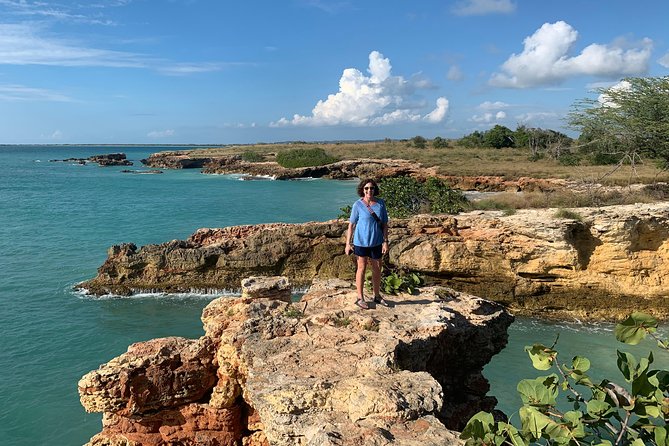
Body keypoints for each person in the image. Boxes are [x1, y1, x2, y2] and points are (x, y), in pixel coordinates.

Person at [345, 179, 391, 309]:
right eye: (366, 188)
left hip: (376, 241)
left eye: (371, 188)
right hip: (361, 242)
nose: (369, 190)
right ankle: (360, 297)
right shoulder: (357, 205)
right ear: (362, 190)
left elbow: (385, 225)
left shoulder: (381, 204)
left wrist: (385, 242)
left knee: (377, 269)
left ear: (374, 189)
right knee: (361, 268)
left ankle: (377, 295)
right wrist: (348, 243)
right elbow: (351, 225)